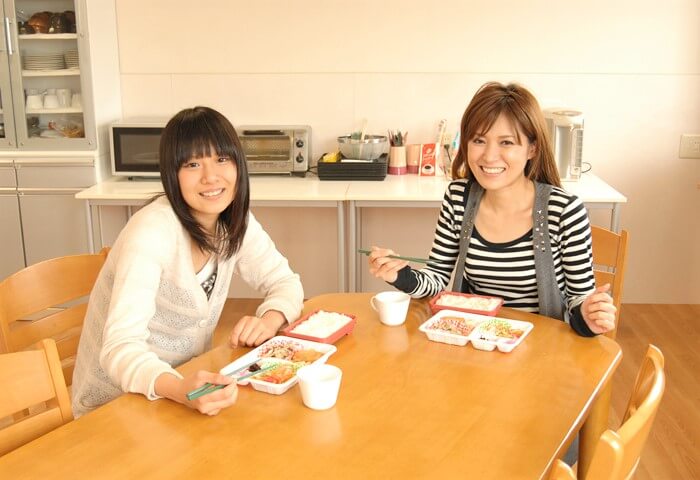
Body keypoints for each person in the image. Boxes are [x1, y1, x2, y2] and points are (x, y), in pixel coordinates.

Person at [72, 106, 304, 418]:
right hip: (118, 405)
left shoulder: (232, 220)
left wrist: (269, 320)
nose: (211, 177)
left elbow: (285, 282)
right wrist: (181, 390)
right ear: (172, 175)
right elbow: (119, 349)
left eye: (221, 159)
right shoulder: (151, 232)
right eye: (193, 164)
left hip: (191, 391)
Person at [368, 82, 616, 337]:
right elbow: (436, 279)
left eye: (506, 142)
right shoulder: (458, 199)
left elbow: (578, 300)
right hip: (476, 342)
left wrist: (589, 315)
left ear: (533, 148)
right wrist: (400, 275)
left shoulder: (564, 211)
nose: (489, 156)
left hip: (542, 350)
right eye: (479, 140)